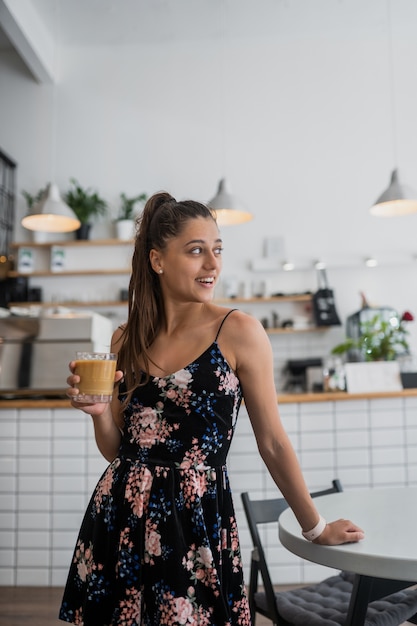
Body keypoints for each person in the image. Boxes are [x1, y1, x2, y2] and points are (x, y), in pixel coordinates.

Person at [59, 191, 364, 626]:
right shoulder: (125, 339)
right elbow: (120, 451)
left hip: (197, 517)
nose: (212, 264)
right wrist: (99, 413)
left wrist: (315, 528)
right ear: (157, 260)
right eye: (196, 250)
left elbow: (273, 442)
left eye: (217, 250)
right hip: (120, 512)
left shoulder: (238, 331)